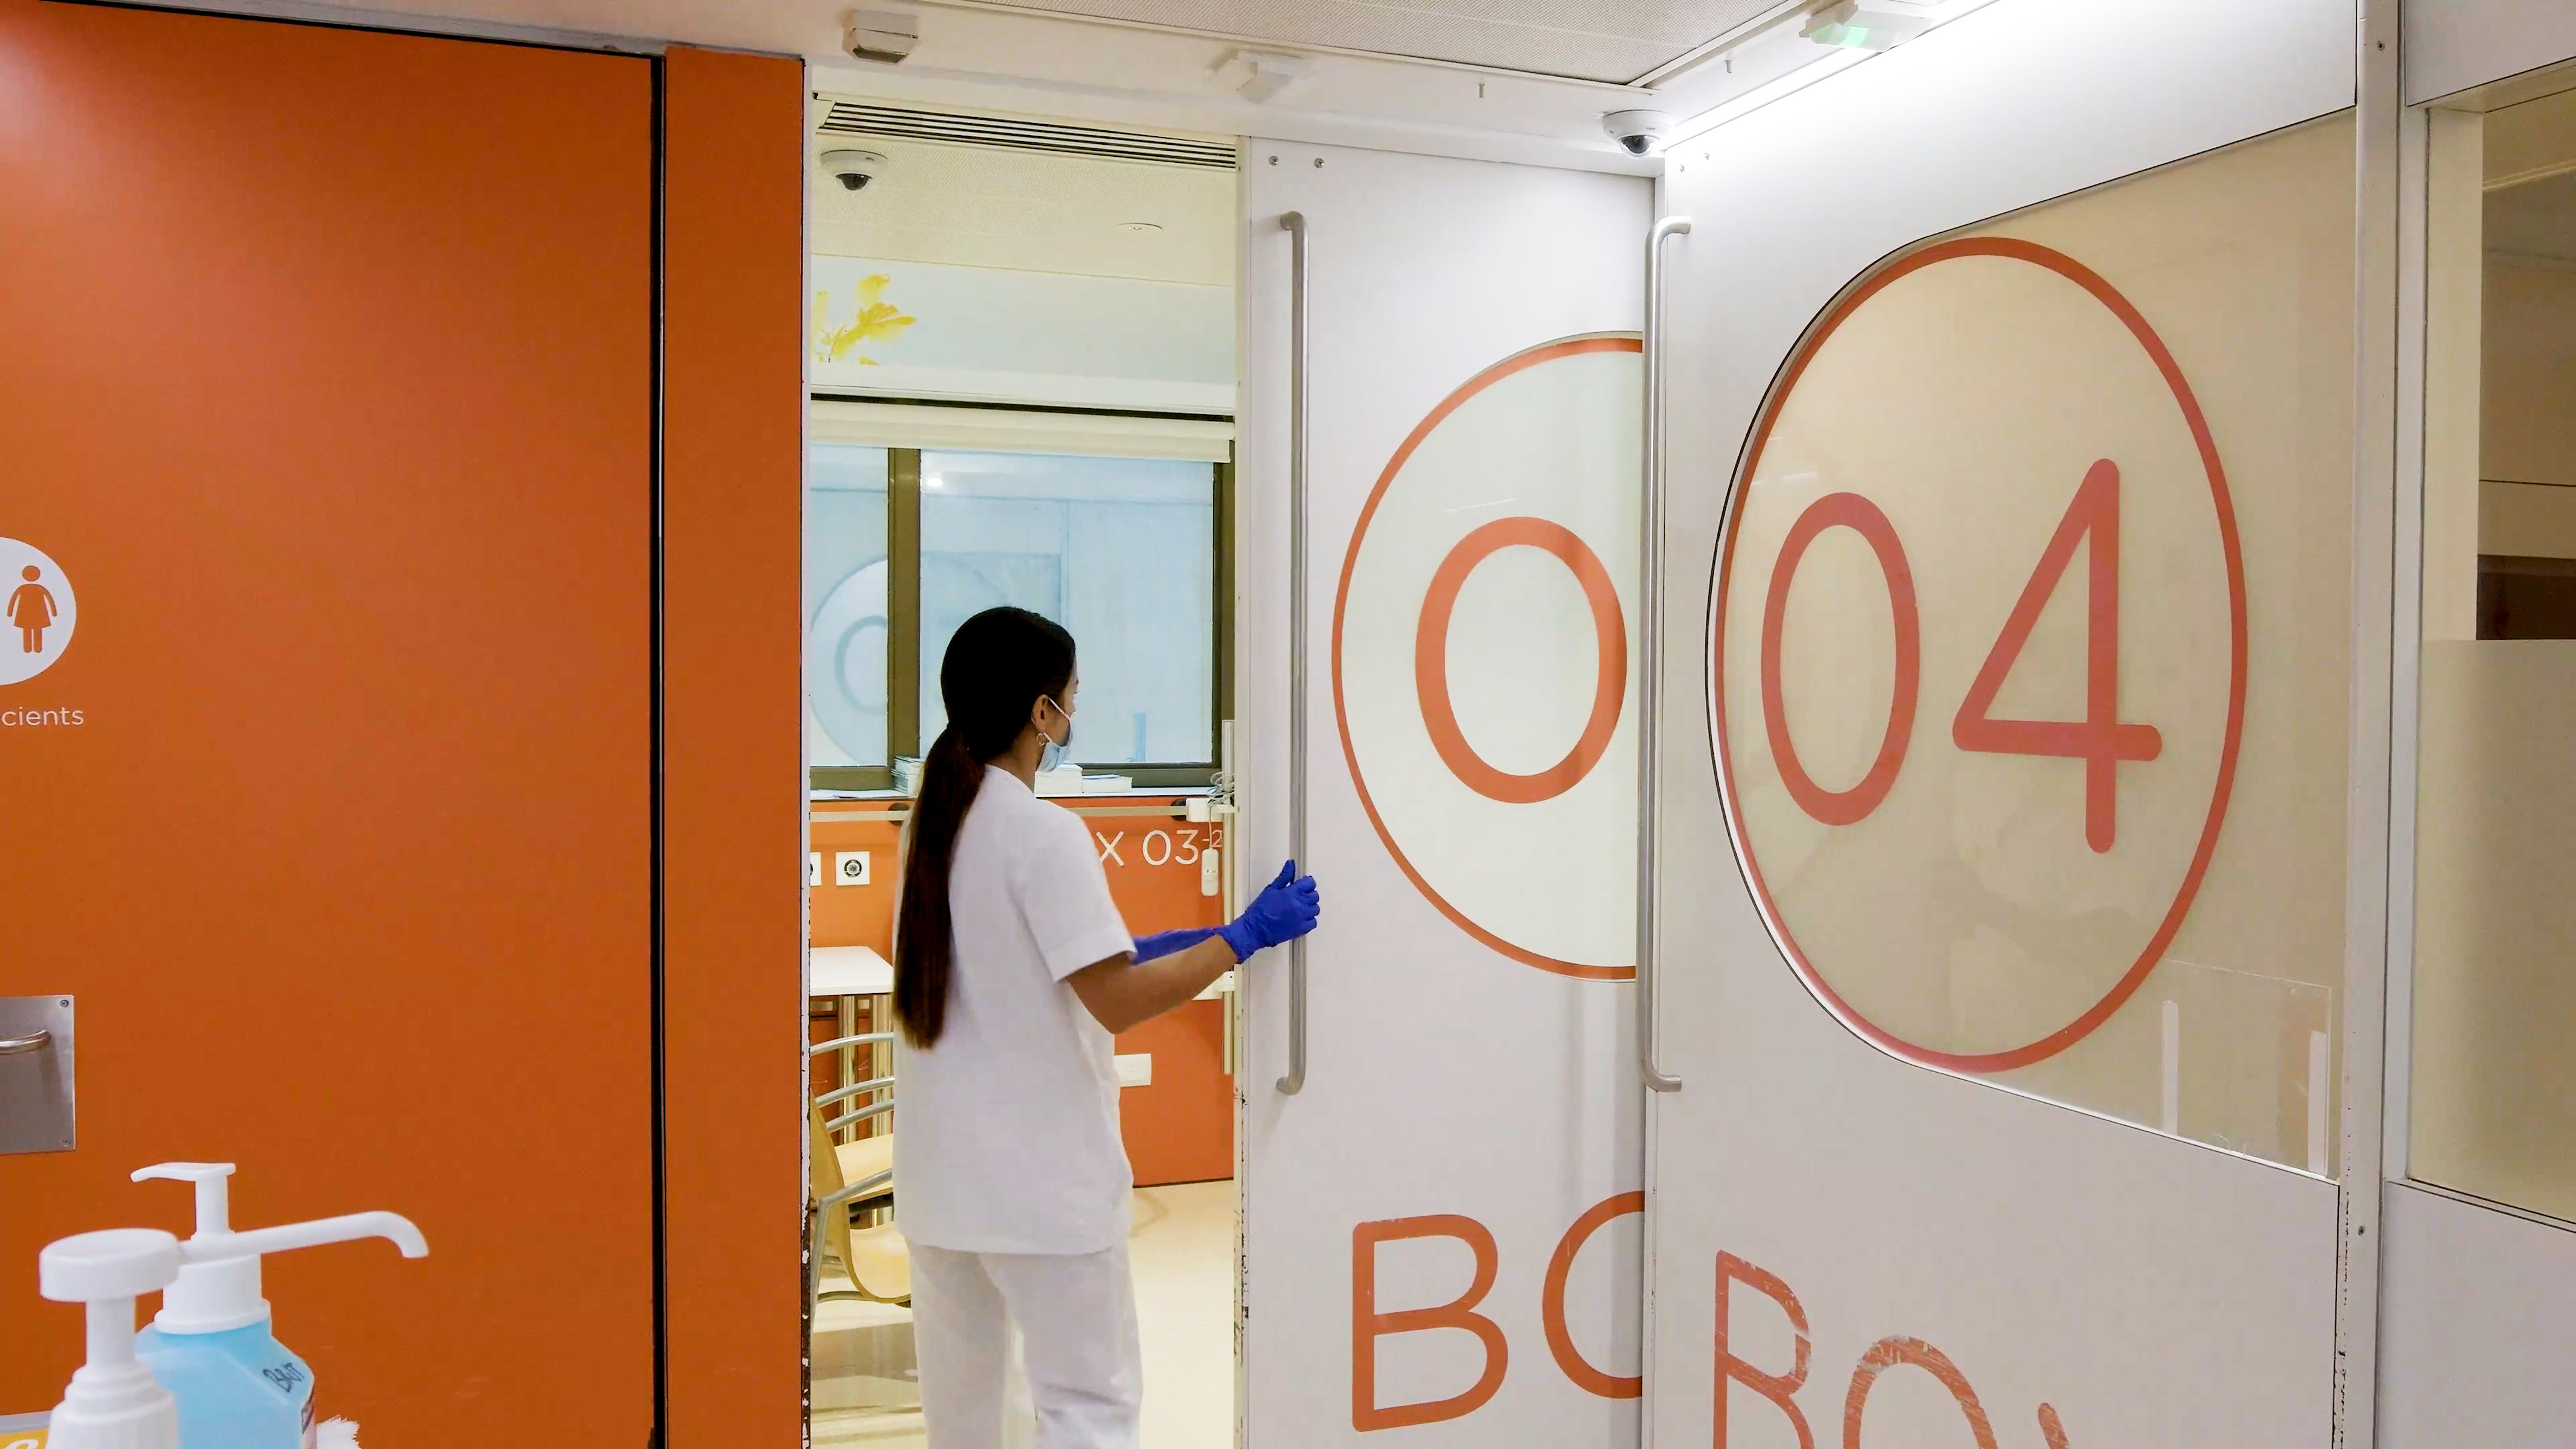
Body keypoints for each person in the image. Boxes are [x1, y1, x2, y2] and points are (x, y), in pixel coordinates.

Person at [892, 605, 1319, 1449]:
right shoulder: (1044, 831)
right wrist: (1241, 940)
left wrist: (1176, 943)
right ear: (1042, 714)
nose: (1072, 717)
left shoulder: (934, 826)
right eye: (1072, 698)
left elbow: (1024, 964)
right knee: (1088, 1411)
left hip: (942, 1191)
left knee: (970, 1425)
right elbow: (1116, 999)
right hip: (1041, 1193)